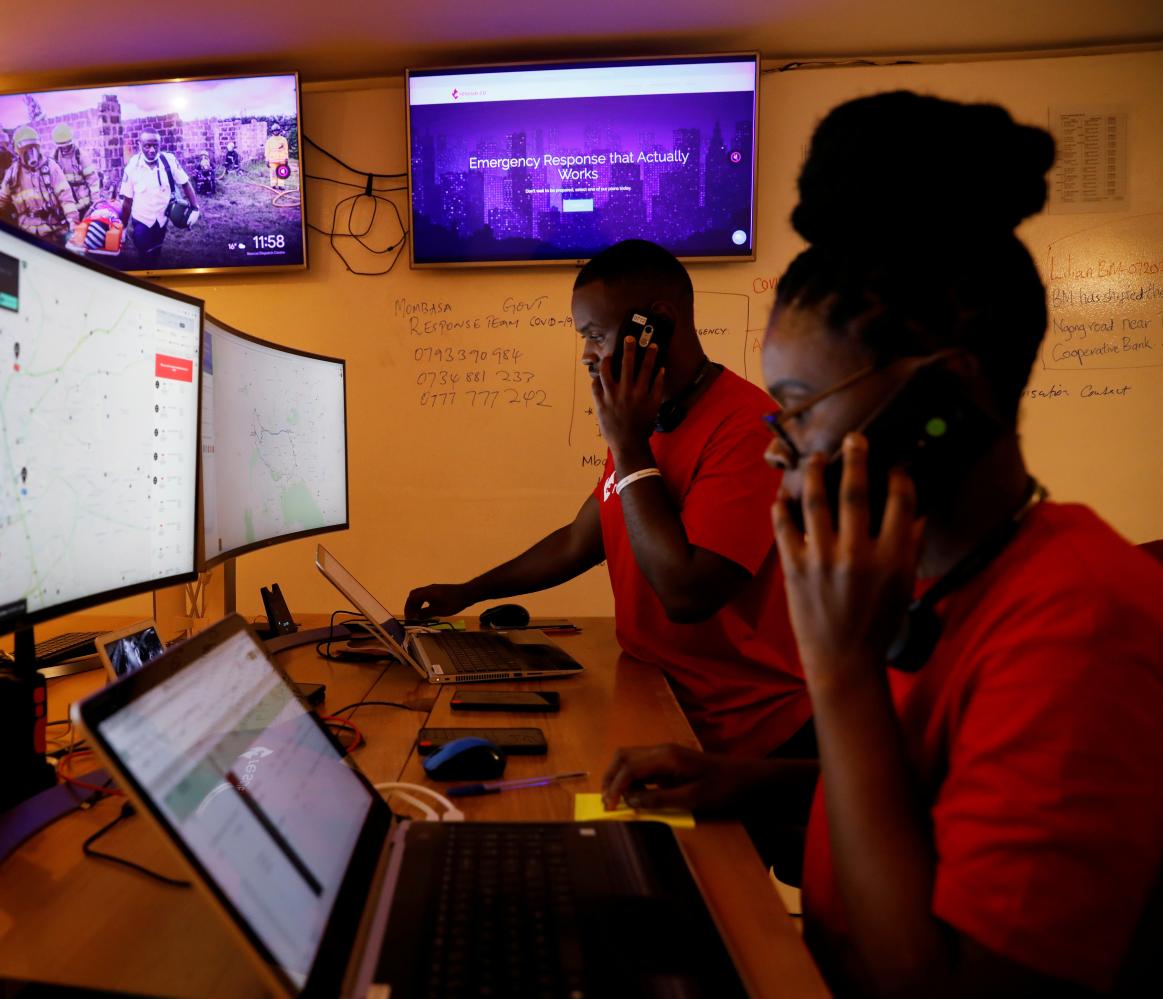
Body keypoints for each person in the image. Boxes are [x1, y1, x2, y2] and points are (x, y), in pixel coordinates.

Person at [603, 92, 1163, 996]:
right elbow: (925, 803)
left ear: (941, 400)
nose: (775, 447)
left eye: (797, 408)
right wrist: (736, 781)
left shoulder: (1076, 630)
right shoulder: (935, 576)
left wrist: (840, 674)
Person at [406, 239, 811, 762]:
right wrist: (469, 591)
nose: (587, 355)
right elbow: (580, 540)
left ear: (655, 324)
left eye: (596, 335)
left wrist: (626, 443)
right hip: (659, 695)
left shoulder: (747, 431)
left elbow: (686, 595)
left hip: (743, 736)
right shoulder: (649, 420)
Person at [118, 129, 201, 271]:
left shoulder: (169, 161)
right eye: (147, 146)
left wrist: (195, 208)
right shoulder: (132, 167)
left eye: (155, 145)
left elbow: (185, 183)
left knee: (156, 251)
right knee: (145, 256)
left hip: (162, 219)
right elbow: (127, 202)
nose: (152, 150)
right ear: (140, 145)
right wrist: (124, 227)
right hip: (142, 221)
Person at [0, 125, 79, 245]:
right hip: (27, 232)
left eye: (34, 147)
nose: (31, 153)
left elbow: (66, 198)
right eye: (26, 149)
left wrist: (73, 223)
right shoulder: (12, 174)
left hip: (54, 231)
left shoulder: (51, 167)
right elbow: (1, 201)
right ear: (18, 151)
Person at [51, 123, 101, 219]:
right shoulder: (55, 157)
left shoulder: (81, 156)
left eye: (67, 145)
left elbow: (93, 181)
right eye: (61, 146)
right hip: (68, 207)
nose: (64, 148)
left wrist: (96, 203)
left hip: (85, 206)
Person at [264, 123, 291, 190]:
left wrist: (286, 158)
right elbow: (267, 151)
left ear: (279, 131)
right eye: (274, 131)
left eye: (277, 130)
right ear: (272, 131)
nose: (276, 132)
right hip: (272, 160)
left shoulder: (283, 139)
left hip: (282, 160)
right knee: (273, 173)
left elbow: (286, 149)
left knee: (282, 172)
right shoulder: (269, 141)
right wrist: (267, 160)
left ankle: (281, 185)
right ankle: (273, 184)